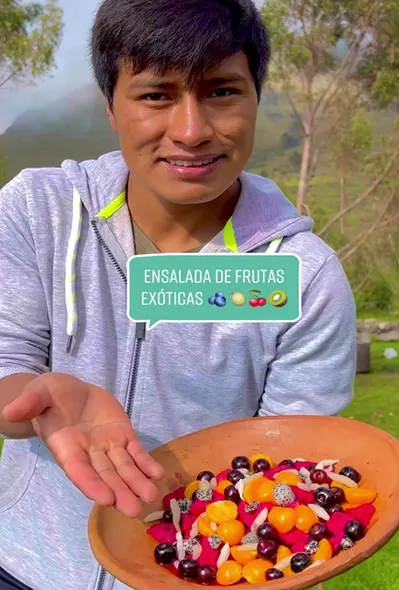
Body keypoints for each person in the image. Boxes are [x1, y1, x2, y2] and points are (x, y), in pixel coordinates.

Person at [0, 1, 356, 588]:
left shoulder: (303, 277)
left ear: (255, 99)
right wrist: (37, 401)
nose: (191, 131)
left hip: (192, 575)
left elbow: (290, 467)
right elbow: (6, 370)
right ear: (111, 107)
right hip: (23, 564)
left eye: (220, 92)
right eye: (156, 95)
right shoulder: (38, 211)